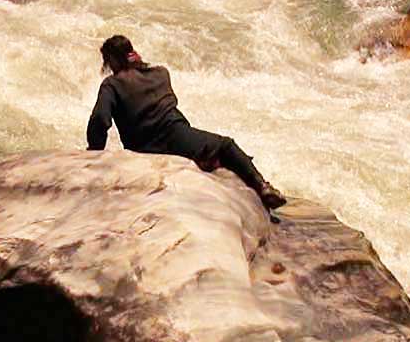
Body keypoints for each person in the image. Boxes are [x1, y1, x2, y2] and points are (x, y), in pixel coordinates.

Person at [86, 35, 287, 210]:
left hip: (142, 147)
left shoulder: (111, 84)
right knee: (226, 145)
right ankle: (262, 186)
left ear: (112, 60)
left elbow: (100, 119)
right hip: (178, 137)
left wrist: (94, 150)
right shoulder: (160, 73)